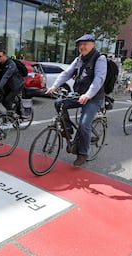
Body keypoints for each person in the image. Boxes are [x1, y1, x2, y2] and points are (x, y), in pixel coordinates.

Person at [46, 34, 107, 166]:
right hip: (79, 94)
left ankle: (83, 153)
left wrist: (88, 94)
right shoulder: (79, 59)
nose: (82, 47)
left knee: (84, 124)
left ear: (93, 44)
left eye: (85, 44)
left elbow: (99, 79)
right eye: (80, 45)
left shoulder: (100, 59)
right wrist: (54, 86)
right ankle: (67, 128)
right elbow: (67, 73)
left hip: (93, 98)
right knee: (59, 102)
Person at [0, 48, 25, 114]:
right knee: (1, 99)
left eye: (0, 56)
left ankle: (11, 115)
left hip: (17, 85)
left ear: (5, 56)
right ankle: (9, 113)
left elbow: (6, 76)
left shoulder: (11, 64)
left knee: (7, 100)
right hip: (8, 85)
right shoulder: (0, 64)